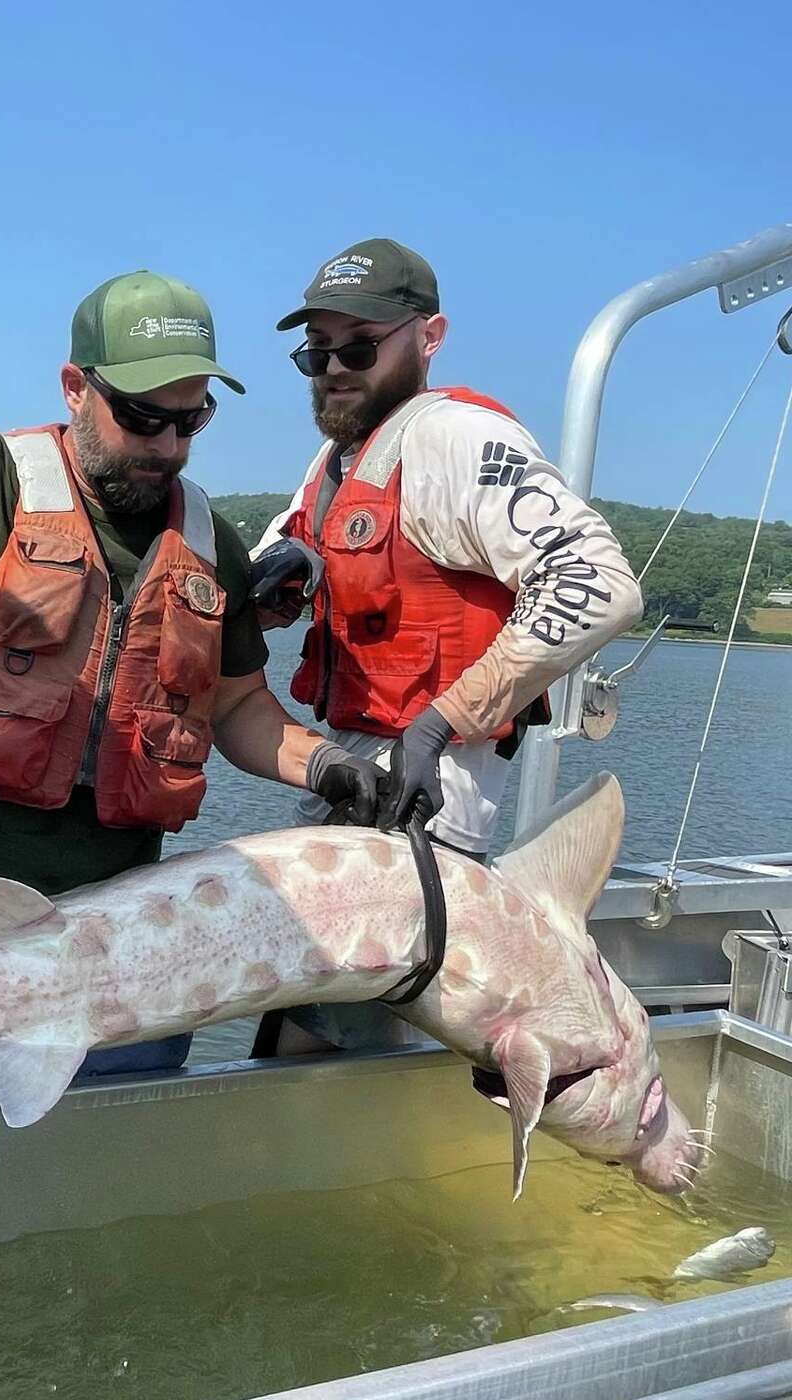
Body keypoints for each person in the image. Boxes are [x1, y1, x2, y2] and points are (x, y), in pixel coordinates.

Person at [0, 72, 384, 1100]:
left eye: (193, 421)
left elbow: (235, 707)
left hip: (127, 958)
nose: (168, 446)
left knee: (95, 1204)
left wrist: (326, 767)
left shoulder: (204, 539)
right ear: (75, 388)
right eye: (144, 417)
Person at [247, 237, 643, 1058]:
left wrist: (440, 722)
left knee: (335, 1061)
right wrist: (280, 574)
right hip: (343, 797)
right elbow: (282, 554)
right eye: (316, 352)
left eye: (358, 346)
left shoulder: (455, 440)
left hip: (421, 817)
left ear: (429, 338)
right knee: (294, 1044)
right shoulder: (337, 461)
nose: (333, 368)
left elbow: (599, 580)